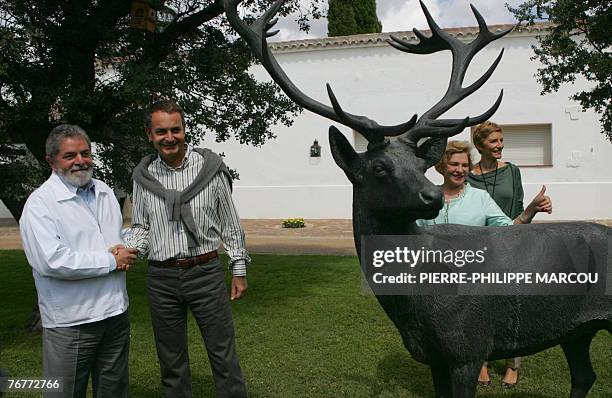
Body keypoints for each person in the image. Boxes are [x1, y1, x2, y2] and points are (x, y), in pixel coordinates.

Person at [126, 100, 249, 398]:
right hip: (162, 278)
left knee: (223, 354)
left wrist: (239, 268)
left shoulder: (211, 170)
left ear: (184, 130)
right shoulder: (143, 178)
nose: (169, 138)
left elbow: (229, 222)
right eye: (161, 132)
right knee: (171, 360)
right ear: (149, 134)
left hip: (205, 272)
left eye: (175, 130)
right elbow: (141, 226)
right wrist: (127, 251)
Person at [417, 140, 552, 389]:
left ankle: (486, 368)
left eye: (465, 165)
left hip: (474, 288)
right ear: (442, 167)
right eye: (454, 164)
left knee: (471, 335)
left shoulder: (480, 198)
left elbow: (508, 230)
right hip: (436, 288)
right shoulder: (428, 198)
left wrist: (530, 211)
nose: (460, 169)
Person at [19, 124, 138, 398]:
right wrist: (111, 261)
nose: (80, 161)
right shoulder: (40, 205)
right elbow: (52, 261)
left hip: (115, 314)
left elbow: (110, 238)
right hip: (72, 323)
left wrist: (135, 242)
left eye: (85, 153)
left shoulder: (105, 192)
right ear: (51, 161)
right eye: (70, 156)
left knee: (114, 392)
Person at [467, 121, 552, 388]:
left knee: (511, 307)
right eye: (494, 141)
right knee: (478, 308)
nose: (500, 145)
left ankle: (513, 364)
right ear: (480, 145)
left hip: (509, 244)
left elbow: (517, 209)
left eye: (501, 140)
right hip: (478, 251)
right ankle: (481, 361)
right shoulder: (467, 175)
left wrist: (533, 209)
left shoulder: (512, 172)